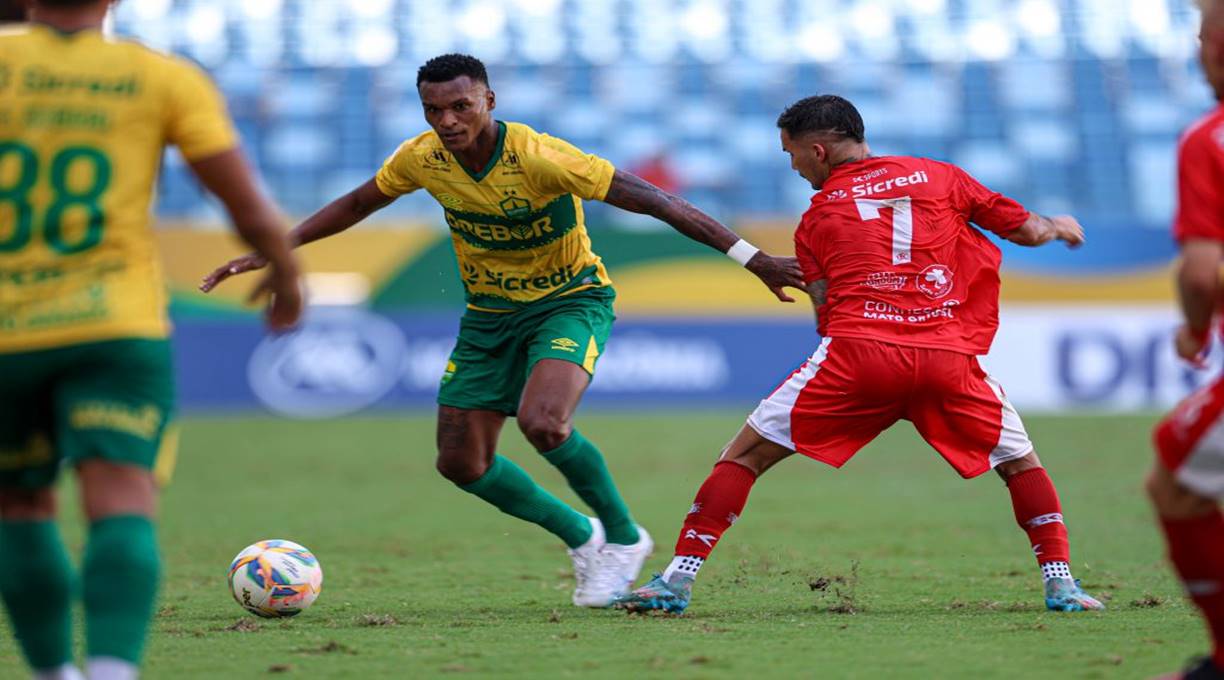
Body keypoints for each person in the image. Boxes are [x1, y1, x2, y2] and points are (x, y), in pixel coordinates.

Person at [201, 53, 804, 608]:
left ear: (489, 99)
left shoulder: (541, 157)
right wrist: (274, 249)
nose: (447, 120)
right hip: (488, 317)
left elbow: (654, 200)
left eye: (460, 106)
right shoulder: (422, 158)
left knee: (544, 422)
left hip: (571, 301)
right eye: (433, 110)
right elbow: (360, 203)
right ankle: (582, 535)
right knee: (460, 463)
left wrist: (754, 259)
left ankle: (624, 538)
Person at [615, 94, 1103, 616]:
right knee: (1018, 462)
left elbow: (826, 311)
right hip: (947, 357)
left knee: (744, 457)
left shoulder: (816, 219)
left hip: (858, 356)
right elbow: (1027, 230)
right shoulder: (941, 177)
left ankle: (676, 581)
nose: (794, 166)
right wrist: (1058, 224)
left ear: (819, 151)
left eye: (792, 154)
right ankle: (1061, 584)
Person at [0, 1, 304, 679]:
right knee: (121, 502)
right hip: (114, 326)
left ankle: (53, 672)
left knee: (20, 505)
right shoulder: (161, 77)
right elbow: (244, 202)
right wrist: (287, 273)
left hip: (7, 333)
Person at [1149, 2, 1224, 678]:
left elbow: (1202, 273)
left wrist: (1195, 331)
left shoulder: (1211, 139)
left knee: (1174, 473)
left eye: (1202, 37)